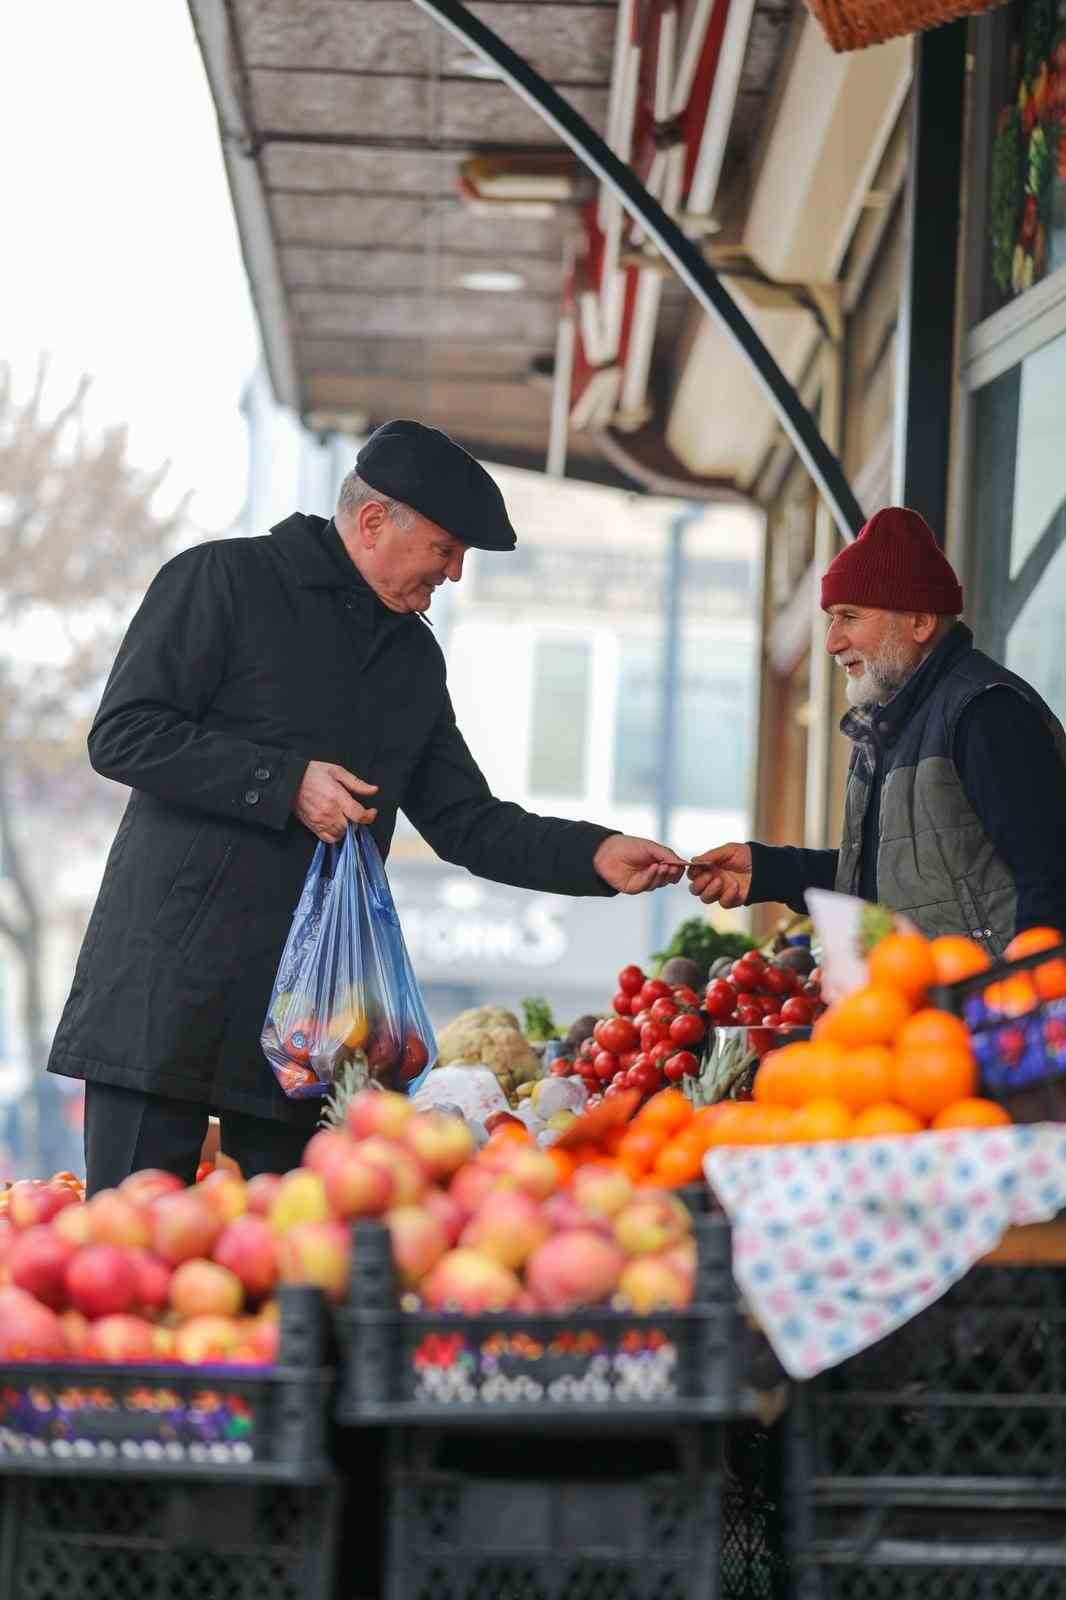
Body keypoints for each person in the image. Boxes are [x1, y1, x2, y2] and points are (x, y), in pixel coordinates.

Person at [50, 419, 686, 1193]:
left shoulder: (413, 658)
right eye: (446, 549)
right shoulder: (223, 579)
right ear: (376, 520)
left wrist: (595, 853)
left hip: (310, 1022)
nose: (454, 574)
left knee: (294, 1252)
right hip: (164, 993)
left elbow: (466, 822)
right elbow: (124, 734)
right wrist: (285, 783)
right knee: (127, 1239)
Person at [688, 506, 1066, 945]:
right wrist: (769, 871)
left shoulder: (988, 713)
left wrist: (1021, 987)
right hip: (917, 987)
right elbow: (882, 883)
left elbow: (1051, 881)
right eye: (832, 618)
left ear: (920, 622)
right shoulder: (890, 726)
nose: (832, 642)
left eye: (849, 616)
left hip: (989, 990)